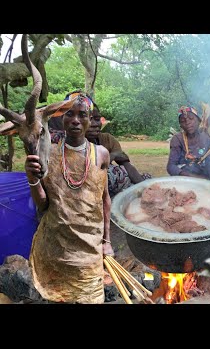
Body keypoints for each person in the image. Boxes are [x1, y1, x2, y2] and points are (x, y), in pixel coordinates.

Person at [25, 93, 113, 303]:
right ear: (61, 118)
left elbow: (105, 199)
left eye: (82, 114)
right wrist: (32, 179)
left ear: (90, 119)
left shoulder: (101, 154)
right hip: (57, 250)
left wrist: (107, 241)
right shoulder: (49, 154)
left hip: (90, 251)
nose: (75, 120)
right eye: (69, 114)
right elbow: (43, 204)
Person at [86, 102, 151, 197]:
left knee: (148, 182)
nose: (95, 124)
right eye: (90, 119)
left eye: (97, 119)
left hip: (111, 188)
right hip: (90, 191)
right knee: (111, 173)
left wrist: (145, 189)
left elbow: (127, 166)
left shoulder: (107, 139)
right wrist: (112, 156)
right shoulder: (70, 145)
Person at [167, 105, 210, 182]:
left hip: (203, 176)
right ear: (181, 126)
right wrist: (190, 176)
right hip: (183, 179)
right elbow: (171, 166)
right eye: (183, 121)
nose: (187, 122)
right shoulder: (177, 139)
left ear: (199, 120)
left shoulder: (206, 138)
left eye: (191, 118)